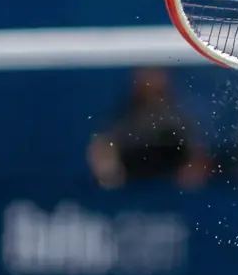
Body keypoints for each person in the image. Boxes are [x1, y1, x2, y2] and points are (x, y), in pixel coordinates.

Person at [88, 68, 216, 188]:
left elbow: (197, 159)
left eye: (158, 91)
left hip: (171, 186)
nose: (154, 94)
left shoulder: (181, 122)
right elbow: (104, 153)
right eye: (148, 88)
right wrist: (108, 171)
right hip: (133, 186)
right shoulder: (123, 124)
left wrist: (192, 171)